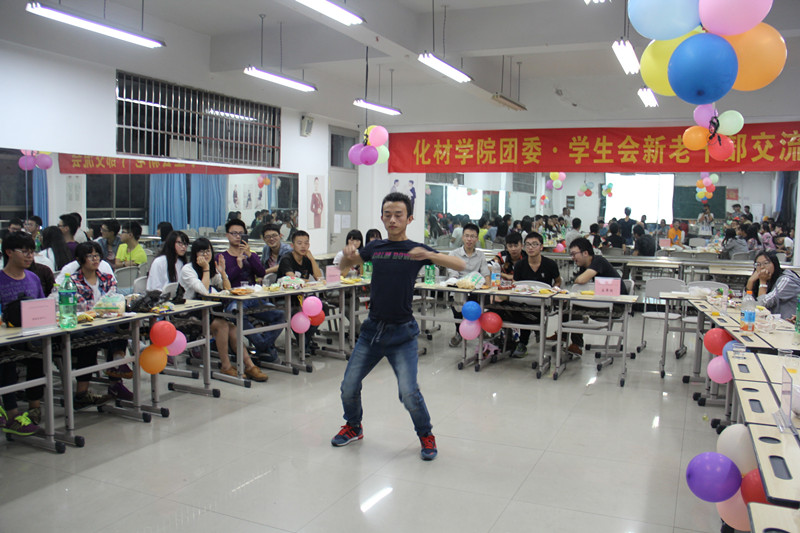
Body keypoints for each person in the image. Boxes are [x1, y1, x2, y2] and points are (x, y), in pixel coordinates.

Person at [331, 192, 466, 461]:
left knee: (408, 392)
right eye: (388, 215)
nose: (392, 220)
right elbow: (344, 268)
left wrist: (428, 254)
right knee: (348, 385)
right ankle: (354, 426)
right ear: (382, 217)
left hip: (402, 333)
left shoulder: (415, 249)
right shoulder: (375, 248)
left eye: (398, 215)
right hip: (372, 331)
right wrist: (346, 257)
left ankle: (426, 434)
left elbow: (459, 264)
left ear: (409, 218)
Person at [179, 238, 267, 381]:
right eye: (201, 251)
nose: (205, 254)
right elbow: (203, 290)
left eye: (208, 251)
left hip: (209, 311)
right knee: (222, 326)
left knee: (233, 328)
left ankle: (249, 365)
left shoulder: (212, 268)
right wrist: (206, 269)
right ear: (194, 254)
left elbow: (227, 288)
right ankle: (226, 366)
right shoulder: (188, 269)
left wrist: (223, 273)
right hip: (189, 313)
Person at [70, 242, 132, 404]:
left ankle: (116, 365)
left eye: (97, 255)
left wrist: (105, 308)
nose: (95, 259)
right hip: (85, 324)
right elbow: (82, 307)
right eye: (90, 256)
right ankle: (85, 392)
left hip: (106, 321)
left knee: (122, 324)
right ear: (80, 259)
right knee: (90, 340)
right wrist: (102, 309)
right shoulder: (73, 281)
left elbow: (113, 301)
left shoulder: (107, 278)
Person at [0, 233, 45, 436]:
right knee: (7, 359)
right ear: (9, 252)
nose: (29, 256)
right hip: (6, 339)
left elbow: (42, 306)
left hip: (31, 335)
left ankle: (34, 406)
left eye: (32, 252)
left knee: (41, 351)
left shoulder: (33, 278)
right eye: (25, 252)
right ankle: (12, 414)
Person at [220, 219, 283, 362]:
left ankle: (262, 345)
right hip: (234, 300)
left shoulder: (251, 255)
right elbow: (224, 280)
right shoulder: (222, 257)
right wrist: (238, 266)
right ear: (227, 235)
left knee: (280, 315)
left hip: (254, 298)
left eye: (241, 234)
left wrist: (249, 255)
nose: (238, 236)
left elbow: (261, 273)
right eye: (234, 233)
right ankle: (265, 347)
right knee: (237, 313)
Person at [568, 237, 627, 356]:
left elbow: (580, 280)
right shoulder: (584, 267)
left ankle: (574, 343)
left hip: (615, 307)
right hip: (601, 302)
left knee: (573, 308)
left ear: (585, 253)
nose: (572, 258)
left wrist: (577, 281)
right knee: (567, 306)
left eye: (574, 254)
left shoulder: (599, 261)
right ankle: (566, 338)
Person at [508, 232, 562, 357]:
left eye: (534, 244)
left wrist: (554, 289)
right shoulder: (520, 265)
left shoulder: (550, 264)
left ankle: (522, 343)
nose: (530, 247)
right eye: (528, 244)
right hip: (522, 302)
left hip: (542, 303)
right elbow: (515, 284)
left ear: (541, 247)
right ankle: (519, 339)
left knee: (528, 313)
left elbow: (558, 281)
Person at [277, 230, 323, 354]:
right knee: (297, 312)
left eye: (306, 243)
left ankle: (305, 341)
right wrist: (307, 281)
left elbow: (319, 277)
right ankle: (304, 345)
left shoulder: (307, 260)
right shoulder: (286, 259)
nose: (303, 246)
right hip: (285, 298)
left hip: (302, 297)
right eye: (299, 243)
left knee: (322, 309)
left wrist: (312, 259)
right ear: (292, 245)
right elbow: (292, 280)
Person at [447, 223, 490, 347]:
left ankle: (479, 328)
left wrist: (488, 288)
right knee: (457, 298)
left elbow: (486, 274)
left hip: (476, 290)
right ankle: (459, 332)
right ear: (462, 237)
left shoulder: (480, 255)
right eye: (467, 236)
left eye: (472, 236)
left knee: (483, 301)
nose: (469, 239)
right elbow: (453, 275)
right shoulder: (453, 254)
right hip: (459, 288)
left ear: (477, 239)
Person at [746, 251, 800, 319]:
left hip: (787, 323)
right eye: (758, 264)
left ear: (775, 264)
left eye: (766, 263)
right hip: (772, 321)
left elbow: (762, 306)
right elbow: (747, 304)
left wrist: (763, 282)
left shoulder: (786, 280)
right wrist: (750, 281)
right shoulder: (769, 278)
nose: (762, 267)